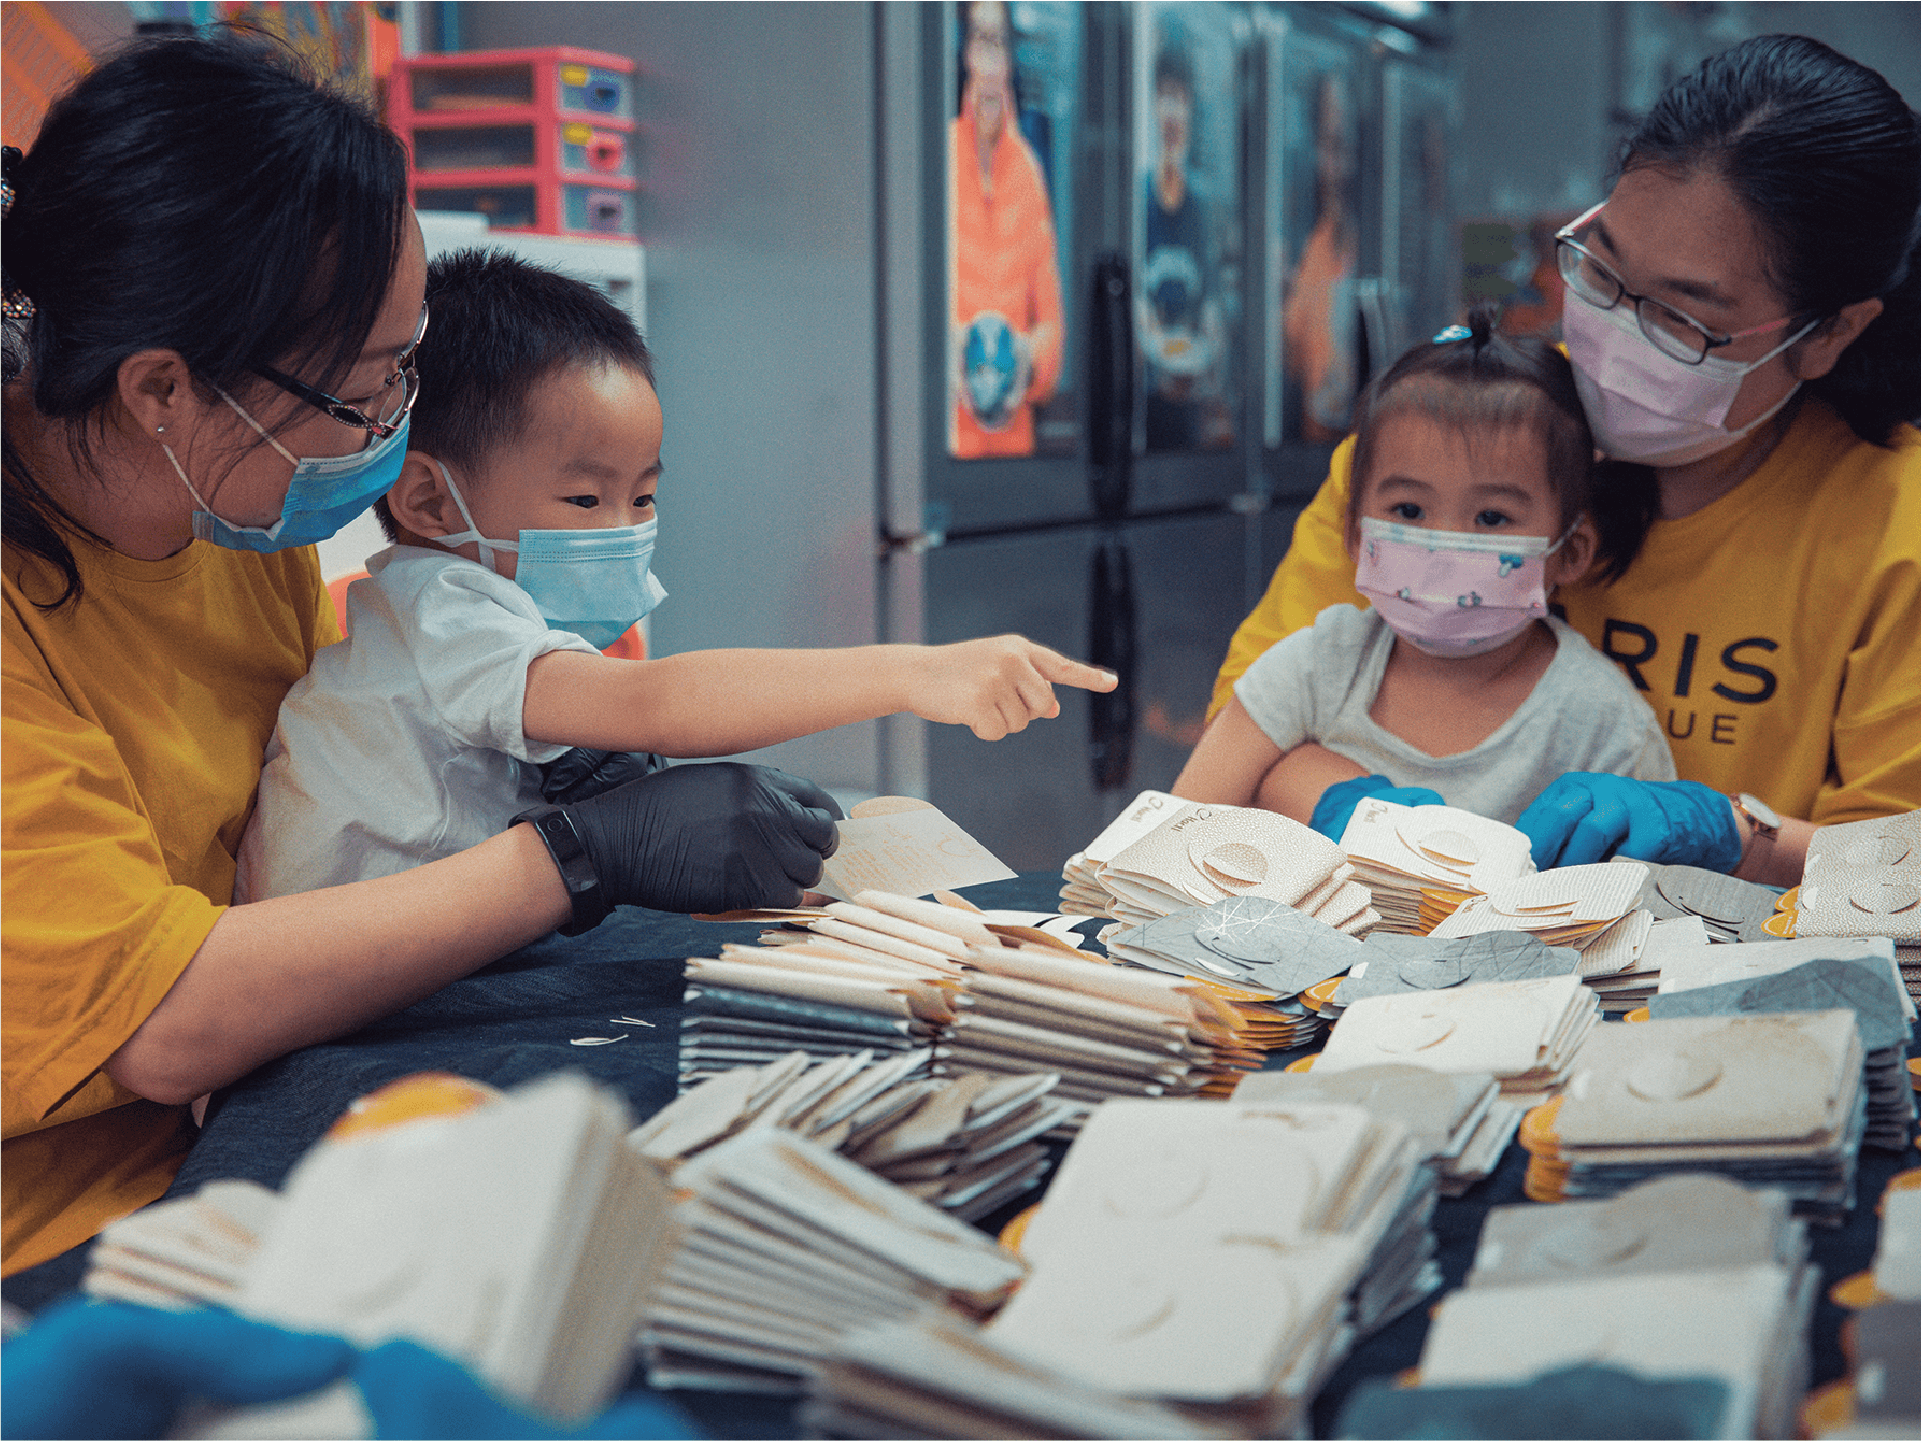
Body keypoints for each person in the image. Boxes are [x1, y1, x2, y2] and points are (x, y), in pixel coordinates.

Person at [0, 35, 836, 1281]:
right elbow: (162, 1022)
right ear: (162, 388)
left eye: (409, 361)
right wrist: (577, 855)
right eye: (368, 388)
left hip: (265, 1082)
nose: (398, 426)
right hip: (87, 1234)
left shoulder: (229, 513)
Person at [1215, 34, 1921, 883]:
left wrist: (1732, 832)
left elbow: (1898, 869)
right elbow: (1249, 720)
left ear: (1829, 333)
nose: (1616, 334)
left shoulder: (1892, 527)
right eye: (1604, 269)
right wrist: (1342, 799)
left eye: (1682, 316)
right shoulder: (1442, 446)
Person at [238, 249, 1116, 902]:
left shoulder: (456, 608)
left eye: (644, 499)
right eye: (585, 501)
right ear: (430, 500)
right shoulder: (442, 611)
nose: (623, 532)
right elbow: (658, 703)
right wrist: (911, 671)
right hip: (338, 1016)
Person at [1173, 313, 1673, 835]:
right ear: (1353, 534)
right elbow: (1176, 834)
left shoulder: (1604, 724)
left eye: (1492, 517)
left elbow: (1652, 898)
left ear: (1569, 554)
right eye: (1409, 510)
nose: (1444, 548)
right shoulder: (1317, 666)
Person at [949, 0, 1065, 458]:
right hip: (946, 454)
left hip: (1012, 464)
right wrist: (955, 353)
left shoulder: (1029, 175)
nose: (989, 62)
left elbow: (1054, 336)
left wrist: (1016, 359)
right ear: (963, 52)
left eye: (999, 44)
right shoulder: (939, 160)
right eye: (980, 40)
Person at [1138, 39, 1227, 451]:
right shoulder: (1136, 202)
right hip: (1143, 407)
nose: (1172, 114)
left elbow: (1210, 305)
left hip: (1193, 407)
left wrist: (1212, 355)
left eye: (1181, 100)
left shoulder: (1203, 207)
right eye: (1165, 98)